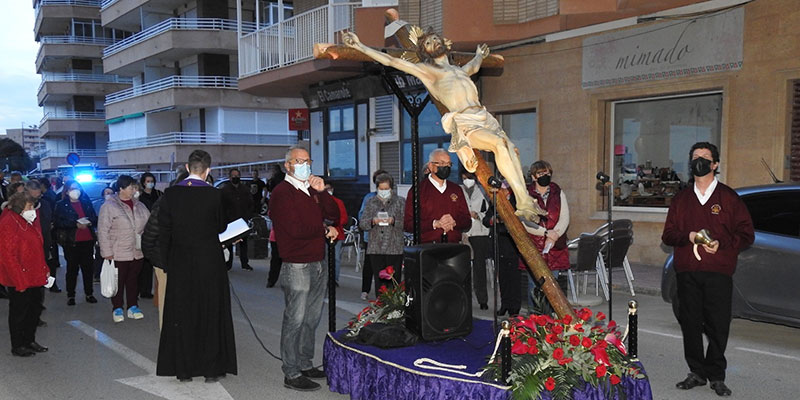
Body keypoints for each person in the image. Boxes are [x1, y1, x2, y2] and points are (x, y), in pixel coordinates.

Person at [343, 30, 544, 222]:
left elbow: (473, 68)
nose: (434, 43)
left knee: (511, 149)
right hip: (466, 122)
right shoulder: (429, 72)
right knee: (500, 144)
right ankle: (523, 200)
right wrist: (361, 46)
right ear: (426, 53)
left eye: (435, 39)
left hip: (484, 116)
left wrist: (479, 56)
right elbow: (392, 61)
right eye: (428, 43)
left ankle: (525, 199)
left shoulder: (458, 70)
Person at [662, 142, 754, 397]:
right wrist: (689, 236)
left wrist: (722, 243)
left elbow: (747, 234)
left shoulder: (728, 197)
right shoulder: (681, 199)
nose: (699, 161)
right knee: (690, 323)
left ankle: (716, 374)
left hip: (718, 272)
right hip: (688, 271)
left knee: (717, 324)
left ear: (715, 165)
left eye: (704, 158)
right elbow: (668, 234)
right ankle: (696, 372)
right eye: (695, 157)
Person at [156, 150, 236, 383]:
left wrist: (165, 262)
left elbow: (164, 231)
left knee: (182, 313)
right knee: (211, 312)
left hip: (180, 261)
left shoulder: (170, 195)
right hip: (209, 261)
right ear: (208, 171)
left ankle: (183, 370)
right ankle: (211, 370)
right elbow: (221, 227)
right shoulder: (215, 195)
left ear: (187, 168)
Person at [270, 146, 339, 392]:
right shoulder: (282, 193)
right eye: (299, 161)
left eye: (308, 160)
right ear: (288, 165)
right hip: (296, 263)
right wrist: (322, 230)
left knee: (311, 318)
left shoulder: (312, 190)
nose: (305, 165)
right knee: (295, 319)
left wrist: (323, 192)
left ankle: (305, 362)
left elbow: (334, 216)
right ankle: (291, 371)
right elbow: (294, 229)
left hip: (317, 261)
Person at [0, 193, 50, 357]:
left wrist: (44, 268)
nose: (33, 210)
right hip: (19, 277)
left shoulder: (29, 221)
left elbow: (37, 248)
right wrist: (19, 281)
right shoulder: (9, 222)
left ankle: (29, 339)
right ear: (20, 206)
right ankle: (18, 344)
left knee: (34, 310)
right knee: (19, 312)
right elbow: (8, 255)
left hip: (35, 274)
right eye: (30, 206)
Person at [98, 175, 150, 323]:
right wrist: (106, 252)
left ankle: (133, 306)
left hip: (136, 250)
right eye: (131, 187)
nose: (134, 190)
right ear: (121, 188)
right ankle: (117, 307)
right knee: (118, 281)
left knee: (133, 280)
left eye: (135, 187)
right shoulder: (109, 206)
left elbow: (149, 223)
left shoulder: (139, 205)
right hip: (118, 251)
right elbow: (103, 230)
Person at [142, 170, 189, 330]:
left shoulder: (187, 204)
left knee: (180, 301)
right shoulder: (165, 203)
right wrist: (152, 256)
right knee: (165, 300)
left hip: (179, 260)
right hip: (165, 260)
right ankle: (168, 336)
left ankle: (179, 334)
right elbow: (151, 232)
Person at [523, 161, 570, 315]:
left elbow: (565, 218)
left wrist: (555, 235)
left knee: (553, 286)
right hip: (535, 245)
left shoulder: (558, 192)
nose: (546, 176)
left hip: (555, 247)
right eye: (541, 174)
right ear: (533, 177)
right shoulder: (526, 194)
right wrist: (545, 233)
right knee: (534, 285)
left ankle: (551, 324)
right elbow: (525, 221)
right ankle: (534, 322)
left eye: (548, 173)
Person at [403, 148, 471, 244]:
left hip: (453, 246)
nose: (446, 167)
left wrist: (454, 222)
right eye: (442, 163)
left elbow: (467, 221)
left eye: (449, 164)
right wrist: (434, 224)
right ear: (431, 166)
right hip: (428, 248)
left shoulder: (456, 189)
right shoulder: (418, 190)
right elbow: (408, 224)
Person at [54, 180, 98, 306]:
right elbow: (57, 222)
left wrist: (89, 222)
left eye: (77, 188)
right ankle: (71, 295)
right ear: (67, 191)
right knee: (72, 269)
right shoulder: (61, 205)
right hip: (72, 241)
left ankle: (89, 293)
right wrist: (74, 224)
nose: (76, 191)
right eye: (73, 188)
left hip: (87, 240)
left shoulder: (85, 203)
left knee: (88, 269)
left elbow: (94, 218)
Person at [359, 173, 405, 291]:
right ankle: (380, 307)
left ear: (391, 188)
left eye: (386, 189)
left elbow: (407, 223)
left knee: (394, 282)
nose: (383, 191)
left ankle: (395, 308)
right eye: (381, 189)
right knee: (380, 284)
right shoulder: (370, 202)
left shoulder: (400, 202)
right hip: (376, 248)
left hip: (394, 248)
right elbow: (363, 223)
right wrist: (373, 221)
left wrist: (393, 221)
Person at [483, 183, 521, 316]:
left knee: (514, 278)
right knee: (503, 278)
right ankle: (505, 304)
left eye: (502, 190)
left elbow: (519, 220)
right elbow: (486, 219)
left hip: (512, 245)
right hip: (498, 244)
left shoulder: (517, 201)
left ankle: (514, 307)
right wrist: (493, 220)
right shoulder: (494, 202)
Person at [461, 171, 490, 310]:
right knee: (463, 267)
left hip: (480, 232)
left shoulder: (483, 192)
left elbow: (489, 212)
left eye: (469, 178)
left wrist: (478, 215)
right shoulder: (459, 191)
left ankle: (482, 299)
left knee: (479, 267)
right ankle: (464, 298)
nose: (466, 180)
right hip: (465, 233)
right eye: (464, 178)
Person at [357, 169, 387, 300]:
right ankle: (365, 290)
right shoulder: (369, 197)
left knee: (385, 265)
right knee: (369, 264)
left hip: (387, 237)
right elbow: (361, 215)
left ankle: (384, 292)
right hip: (371, 236)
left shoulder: (392, 198)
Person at [220, 168, 254, 271]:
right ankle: (228, 264)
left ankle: (245, 263)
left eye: (237, 176)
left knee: (244, 243)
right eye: (233, 176)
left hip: (242, 221)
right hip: (230, 221)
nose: (235, 178)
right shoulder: (224, 190)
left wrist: (248, 216)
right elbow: (221, 206)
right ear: (230, 177)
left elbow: (250, 204)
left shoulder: (245, 189)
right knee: (229, 243)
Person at [138, 173, 162, 299]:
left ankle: (158, 290)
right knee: (145, 264)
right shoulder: (140, 197)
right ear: (143, 182)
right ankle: (144, 290)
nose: (150, 183)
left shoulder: (158, 194)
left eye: (152, 181)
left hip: (158, 229)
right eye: (147, 181)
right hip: (145, 229)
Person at [36, 178, 61, 293]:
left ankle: (52, 283)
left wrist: (51, 224)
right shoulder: (29, 205)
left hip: (47, 237)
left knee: (50, 262)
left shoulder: (45, 203)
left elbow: (51, 216)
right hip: (37, 238)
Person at [323, 178, 348, 286]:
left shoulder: (338, 202)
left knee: (335, 258)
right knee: (324, 257)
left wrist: (332, 223)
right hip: (321, 233)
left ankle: (334, 279)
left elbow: (344, 218)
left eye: (329, 189)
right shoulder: (318, 202)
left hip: (337, 234)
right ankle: (324, 278)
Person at [265, 164, 285, 288]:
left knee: (276, 260)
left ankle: (271, 280)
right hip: (280, 235)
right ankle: (273, 280)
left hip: (278, 235)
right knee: (280, 260)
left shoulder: (275, 201)